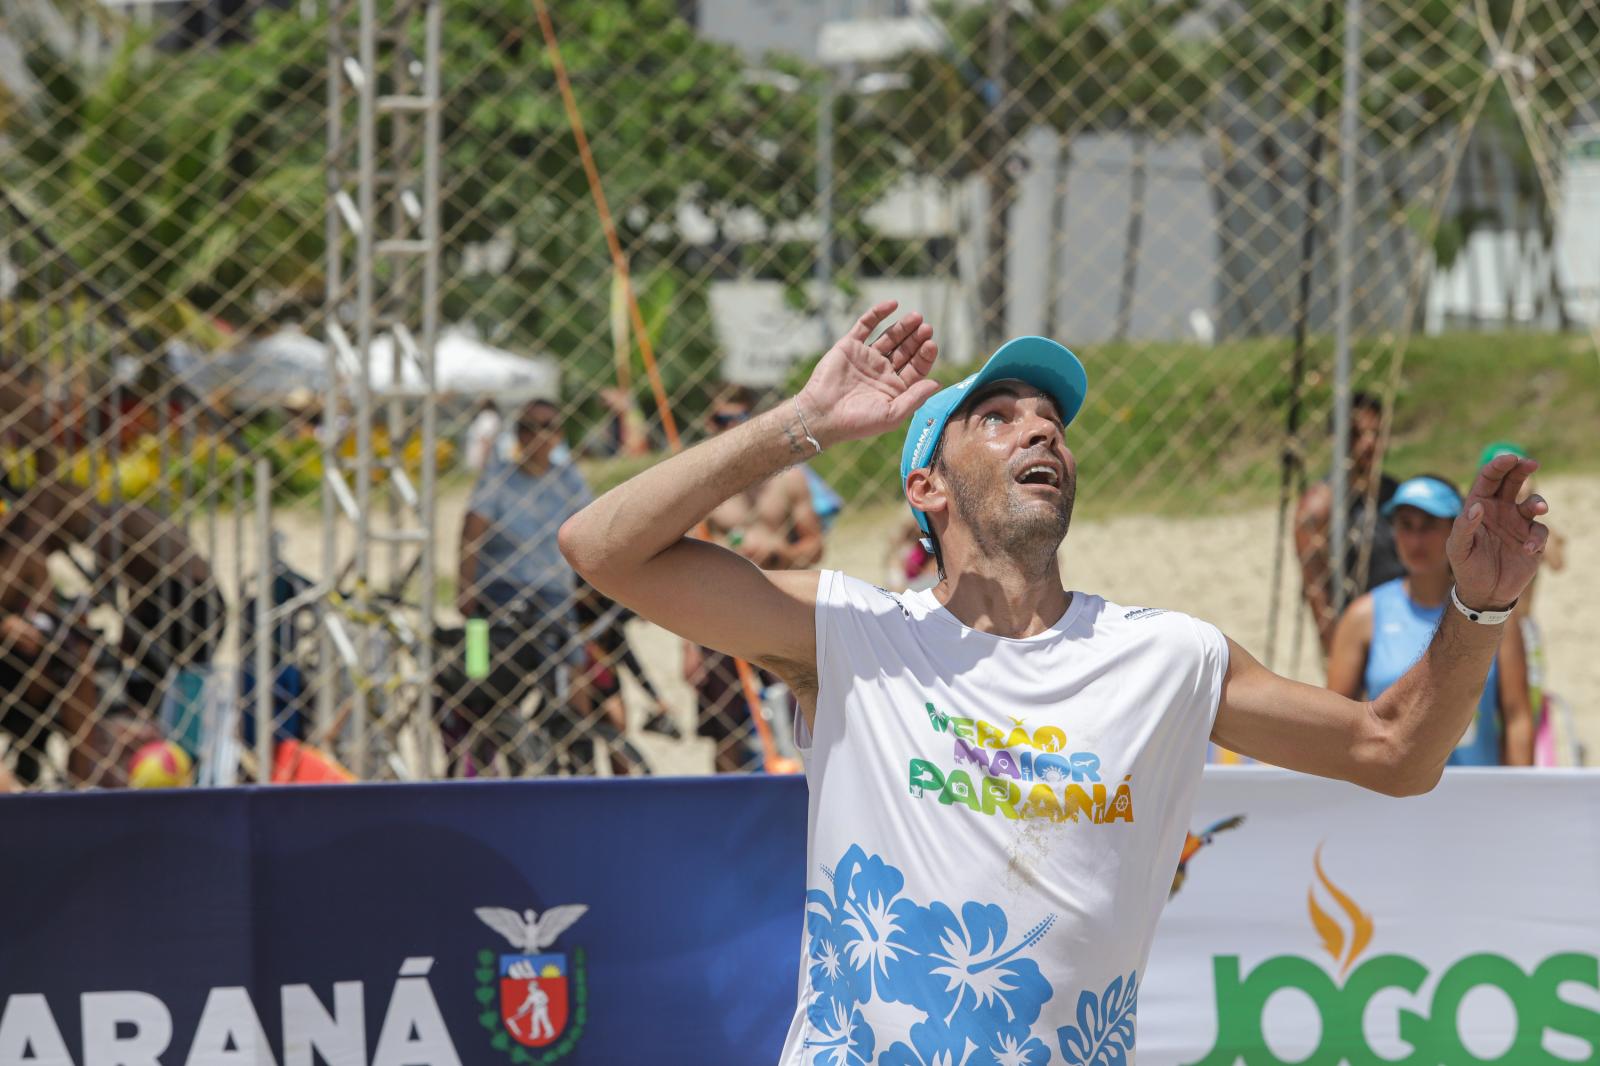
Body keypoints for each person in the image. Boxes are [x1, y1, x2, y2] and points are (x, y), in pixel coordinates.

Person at [558, 301, 1550, 1061]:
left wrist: (1479, 608)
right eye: (996, 418)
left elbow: (1395, 750)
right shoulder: (855, 634)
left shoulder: (1165, 658)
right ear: (926, 487)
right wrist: (802, 422)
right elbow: (601, 549)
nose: (1041, 432)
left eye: (1052, 423)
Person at [1326, 476, 1534, 765]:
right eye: (1406, 525)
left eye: (1429, 525)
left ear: (1457, 529)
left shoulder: (1495, 615)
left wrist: (1519, 788)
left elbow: (1517, 716)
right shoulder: (1364, 616)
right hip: (1389, 787)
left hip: (1476, 787)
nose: (1416, 540)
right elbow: (1336, 721)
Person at [685, 385, 824, 773]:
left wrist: (781, 551)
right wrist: (689, 647)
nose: (728, 428)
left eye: (737, 419)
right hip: (720, 613)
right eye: (720, 420)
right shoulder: (701, 485)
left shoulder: (789, 478)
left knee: (804, 715)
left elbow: (815, 546)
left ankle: (807, 791)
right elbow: (686, 569)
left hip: (779, 604)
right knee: (724, 729)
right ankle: (728, 803)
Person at [455, 399, 593, 768]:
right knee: (477, 666)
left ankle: (580, 749)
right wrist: (464, 588)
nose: (538, 436)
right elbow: (471, 531)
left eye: (548, 427)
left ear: (559, 435)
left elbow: (592, 529)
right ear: (517, 434)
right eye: (528, 427)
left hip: (553, 593)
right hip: (497, 592)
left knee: (574, 666)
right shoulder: (498, 477)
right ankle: (475, 753)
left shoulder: (568, 479)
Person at [1295, 391, 1406, 656]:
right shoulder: (1319, 507)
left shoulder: (1395, 492)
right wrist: (1338, 657)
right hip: (1357, 637)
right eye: (1356, 434)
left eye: (1376, 433)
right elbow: (1318, 594)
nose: (1369, 443)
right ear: (1337, 439)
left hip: (1405, 626)